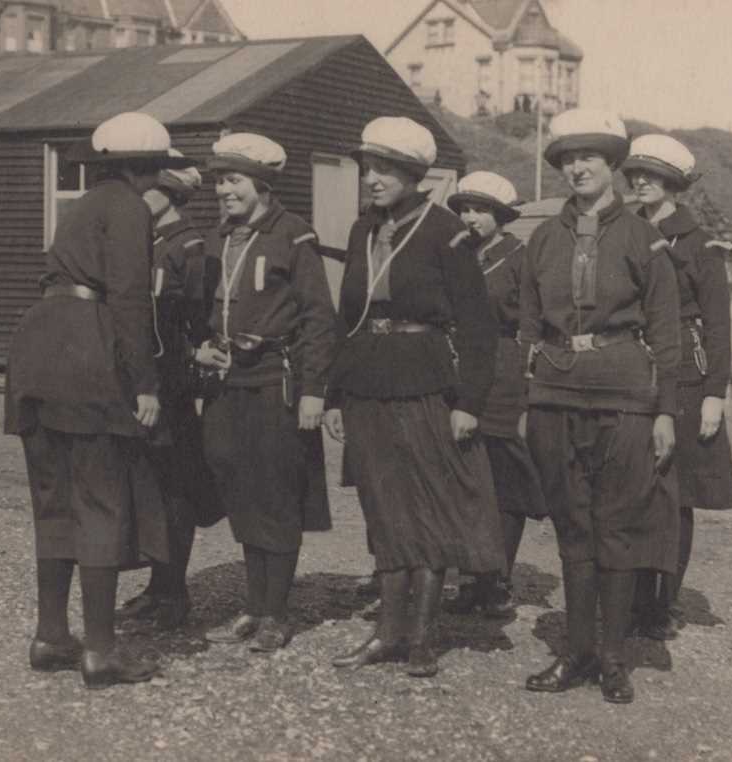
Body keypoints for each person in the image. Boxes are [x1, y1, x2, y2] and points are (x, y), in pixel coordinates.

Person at [3, 112, 195, 689]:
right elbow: (132, 300)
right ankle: (103, 651)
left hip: (37, 347)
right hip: (90, 353)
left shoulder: (79, 205)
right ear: (151, 168)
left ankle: (51, 636)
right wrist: (144, 384)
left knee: (53, 497)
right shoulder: (131, 209)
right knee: (101, 499)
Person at [327, 116, 502, 678]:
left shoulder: (446, 231)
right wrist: (334, 392)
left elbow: (478, 329)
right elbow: (346, 318)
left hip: (425, 385)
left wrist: (469, 403)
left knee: (425, 510)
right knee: (382, 511)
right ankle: (385, 634)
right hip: (367, 386)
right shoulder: (361, 231)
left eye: (385, 169)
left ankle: (420, 639)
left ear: (413, 174)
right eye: (367, 167)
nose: (372, 178)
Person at [517, 109, 681, 704]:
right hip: (555, 393)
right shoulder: (542, 237)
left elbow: (665, 329)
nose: (577, 168)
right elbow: (527, 326)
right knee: (572, 527)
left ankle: (614, 660)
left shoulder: (644, 238)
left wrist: (666, 412)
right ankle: (578, 654)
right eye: (566, 159)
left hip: (626, 395)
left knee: (616, 525)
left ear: (613, 166)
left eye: (589, 157)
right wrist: (522, 397)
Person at [195, 133, 339, 652]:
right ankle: (253, 607)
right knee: (239, 488)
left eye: (232, 180)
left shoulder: (294, 237)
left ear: (260, 183)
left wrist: (314, 391)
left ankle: (276, 612)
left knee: (276, 494)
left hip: (275, 381)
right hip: (225, 382)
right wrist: (198, 349)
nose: (222, 190)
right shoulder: (218, 237)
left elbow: (320, 318)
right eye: (218, 181)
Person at [622, 135, 732, 640]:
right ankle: (626, 598)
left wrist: (715, 392)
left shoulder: (697, 244)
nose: (641, 182)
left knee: (677, 493)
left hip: (686, 377)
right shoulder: (622, 231)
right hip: (629, 369)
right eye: (635, 174)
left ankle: (662, 604)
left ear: (674, 184)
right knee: (629, 487)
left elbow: (718, 323)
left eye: (654, 175)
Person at [116, 153, 224, 630]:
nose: (141, 197)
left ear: (172, 195)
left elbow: (197, 322)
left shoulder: (190, 246)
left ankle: (173, 593)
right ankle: (158, 587)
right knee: (151, 487)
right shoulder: (147, 239)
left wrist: (189, 358)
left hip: (174, 383)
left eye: (151, 190)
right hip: (145, 379)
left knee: (176, 488)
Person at [444, 171, 548, 618]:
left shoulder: (518, 258)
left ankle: (498, 579)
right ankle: (471, 577)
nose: (470, 218)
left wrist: (526, 384)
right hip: (459, 366)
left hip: (504, 369)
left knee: (503, 476)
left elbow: (531, 324)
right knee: (466, 475)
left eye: (480, 210)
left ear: (501, 216)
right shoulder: (456, 254)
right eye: (465, 209)